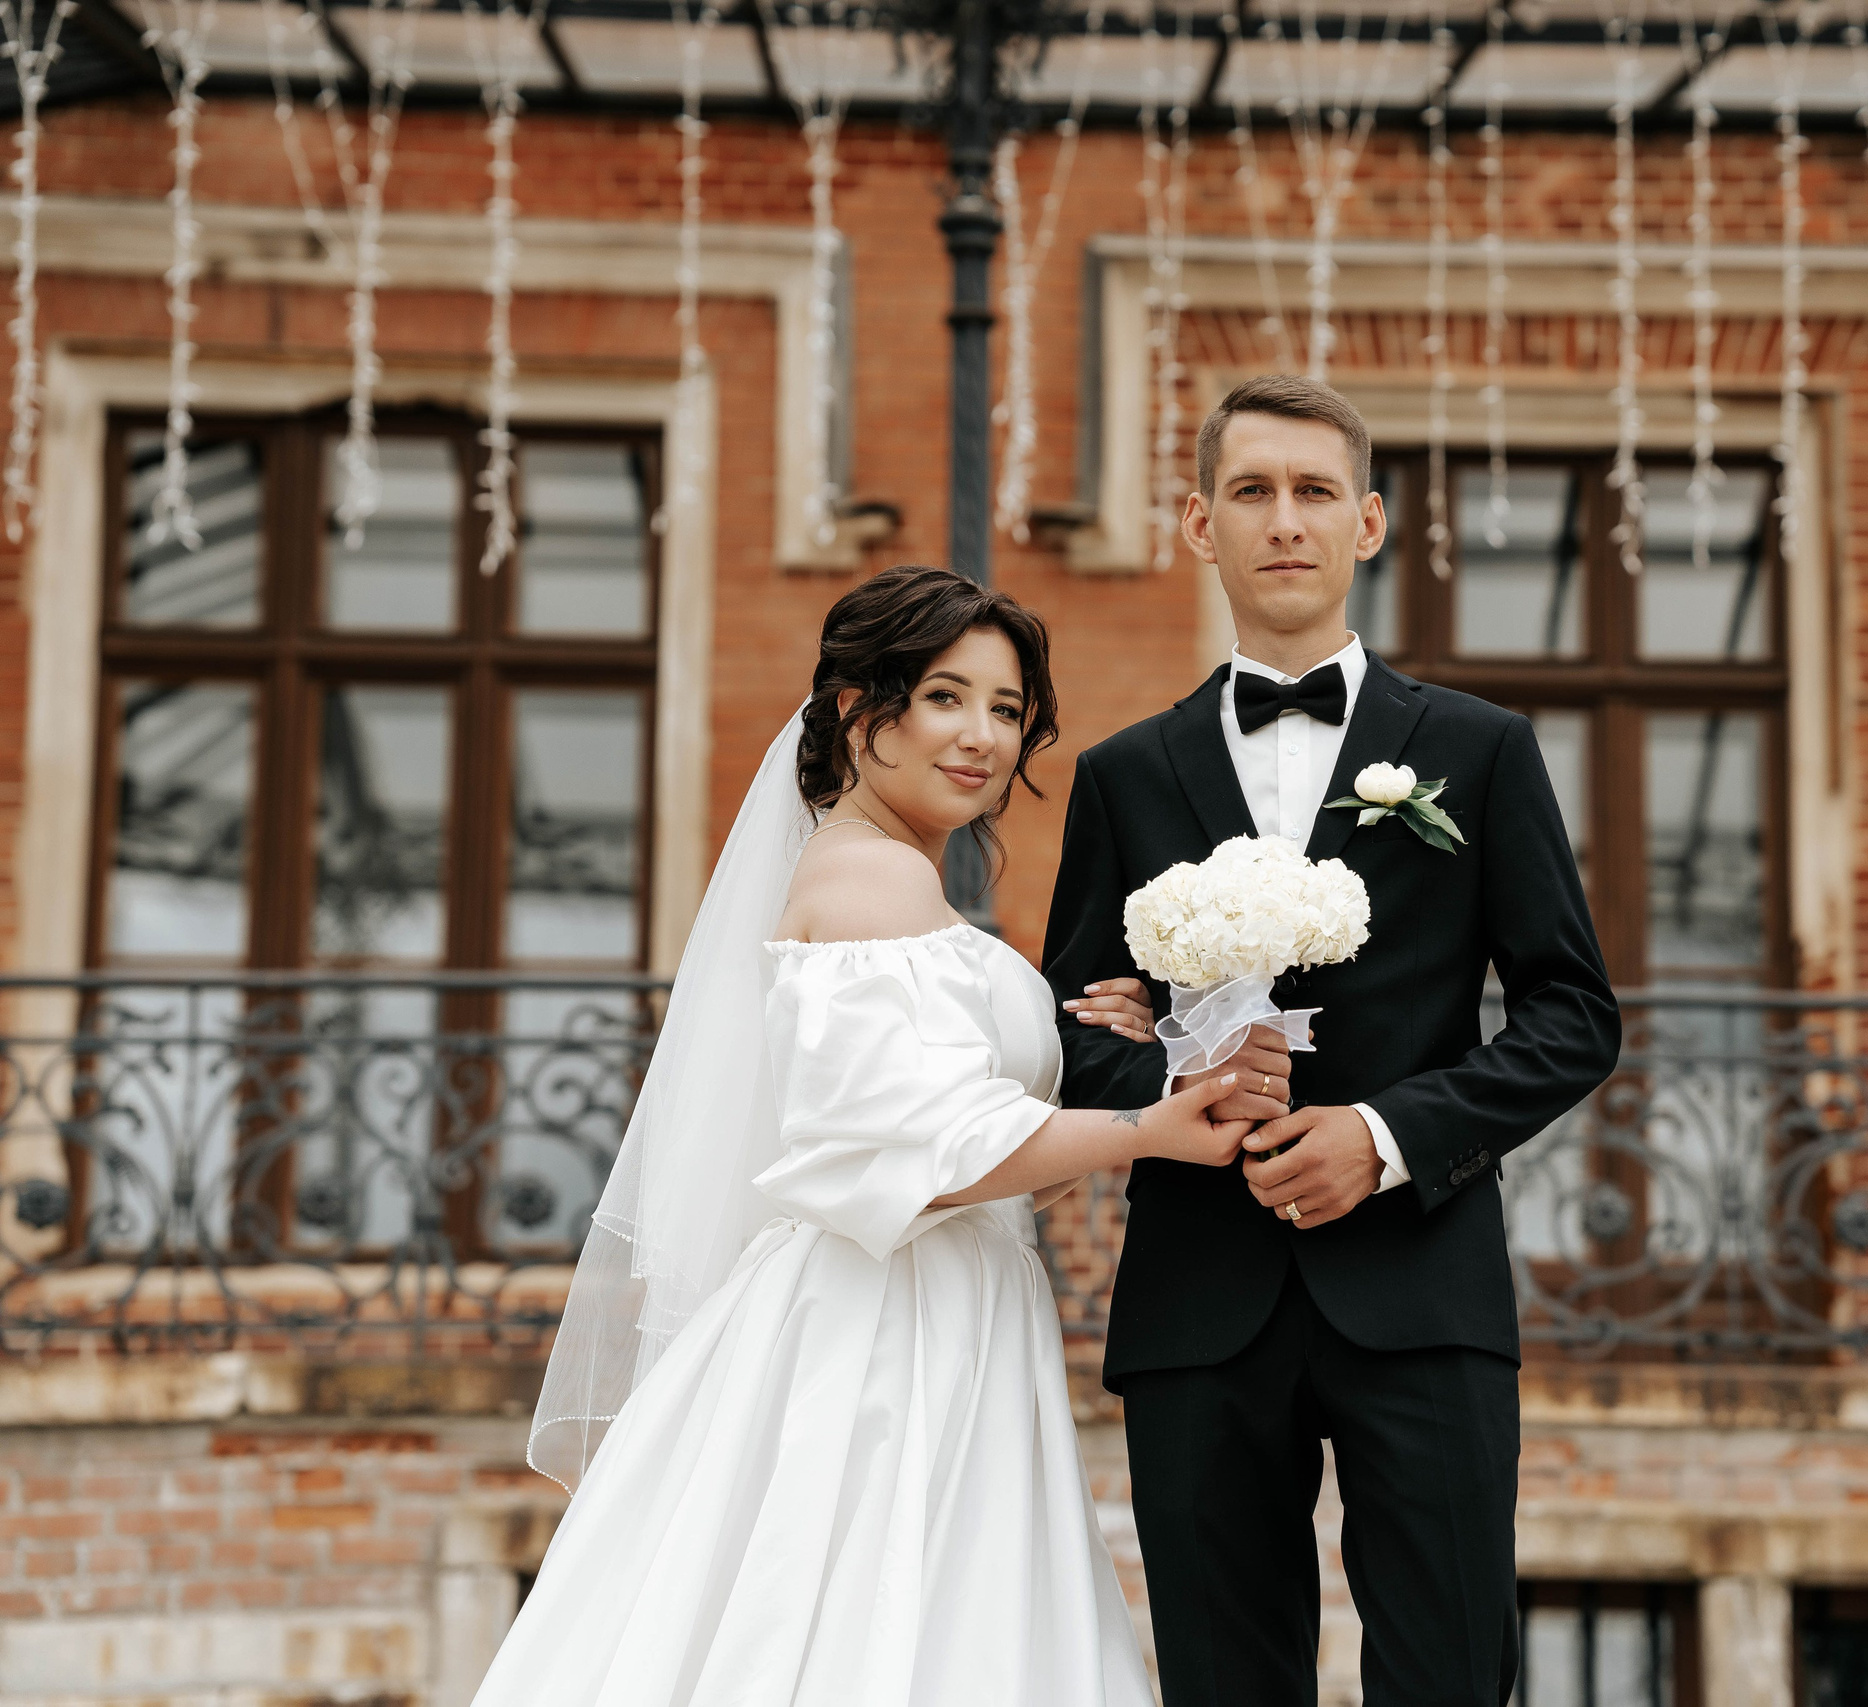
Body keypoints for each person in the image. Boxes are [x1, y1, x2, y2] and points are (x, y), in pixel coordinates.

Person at [477, 566, 1239, 1707]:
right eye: (945, 697)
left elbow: (935, 1095)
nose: (982, 735)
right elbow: (919, 1154)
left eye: (1005, 707)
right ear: (854, 709)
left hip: (944, 1307)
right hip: (886, 1328)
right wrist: (1149, 1128)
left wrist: (1089, 1025)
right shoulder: (871, 882)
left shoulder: (895, 882)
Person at [1043, 374, 1624, 1706]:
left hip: (1423, 1290)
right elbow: (1073, 1027)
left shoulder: (1477, 752)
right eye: (1251, 492)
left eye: (1314, 493)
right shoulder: (1126, 773)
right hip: (1201, 1296)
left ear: (1368, 523)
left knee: (1449, 1675)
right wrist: (1177, 1085)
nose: (1284, 521)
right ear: (1200, 524)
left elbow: (1573, 1013)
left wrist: (1385, 1134)